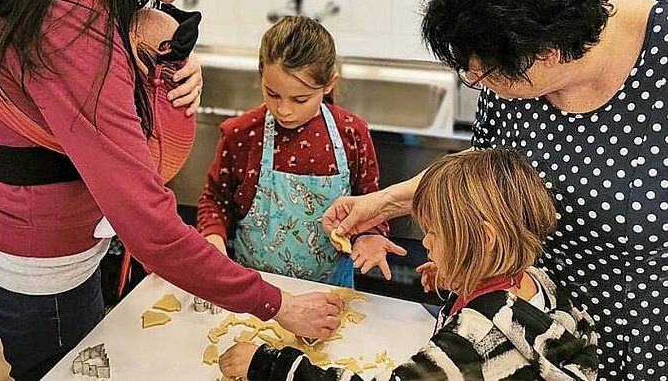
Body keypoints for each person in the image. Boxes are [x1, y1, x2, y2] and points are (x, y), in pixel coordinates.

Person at [0, 0, 341, 381]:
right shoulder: (72, 17)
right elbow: (152, 228)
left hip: (22, 234)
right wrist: (276, 303)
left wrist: (156, 46)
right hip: (43, 266)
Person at [322, 0, 668, 380]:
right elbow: (482, 184)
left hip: (643, 339)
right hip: (519, 327)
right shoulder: (505, 68)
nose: (477, 82)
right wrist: (387, 203)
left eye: (483, 71)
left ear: (547, 52)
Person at [219, 148, 599, 380]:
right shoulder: (537, 281)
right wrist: (460, 276)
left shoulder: (473, 337)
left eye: (433, 232)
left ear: (483, 240)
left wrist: (269, 366)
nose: (426, 243)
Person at [196, 15, 405, 286]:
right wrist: (213, 240)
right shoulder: (242, 134)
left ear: (329, 84)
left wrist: (371, 235)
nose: (284, 110)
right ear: (261, 74)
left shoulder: (351, 133)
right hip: (256, 292)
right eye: (272, 94)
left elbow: (371, 202)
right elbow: (216, 200)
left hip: (331, 294)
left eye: (300, 99)